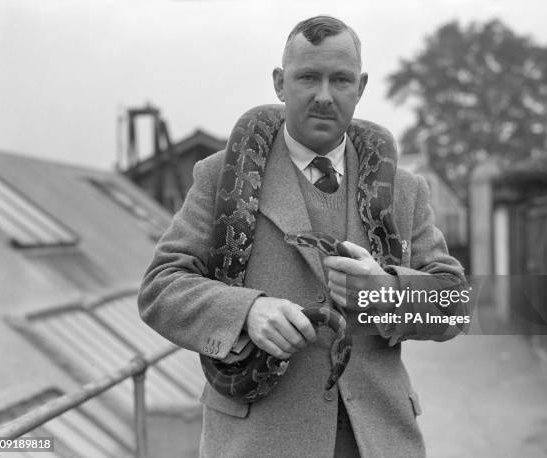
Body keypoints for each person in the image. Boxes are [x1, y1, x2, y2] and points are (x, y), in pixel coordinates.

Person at [138, 15, 467, 458]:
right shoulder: (218, 176)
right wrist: (247, 312)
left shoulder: (406, 189)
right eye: (308, 77)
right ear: (280, 83)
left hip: (379, 442)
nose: (324, 96)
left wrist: (385, 295)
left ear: (361, 87)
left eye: (341, 80)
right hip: (258, 444)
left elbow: (455, 308)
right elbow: (161, 288)